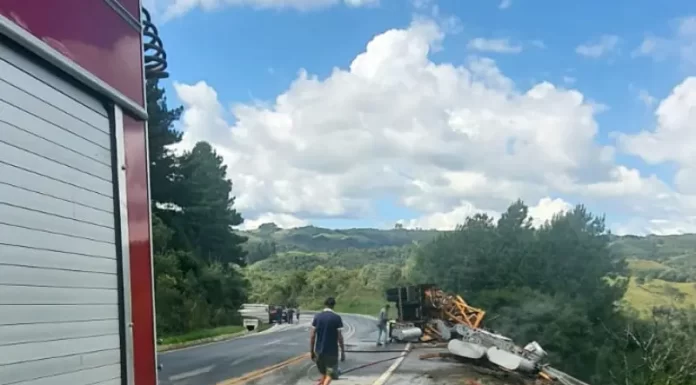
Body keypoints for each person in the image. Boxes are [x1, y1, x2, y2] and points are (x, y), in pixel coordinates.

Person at [310, 297, 345, 385]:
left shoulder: (317, 317)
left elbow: (312, 336)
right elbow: (340, 338)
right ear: (333, 306)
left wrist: (312, 351)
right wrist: (343, 352)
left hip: (319, 352)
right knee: (330, 375)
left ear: (325, 304)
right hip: (331, 353)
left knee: (323, 374)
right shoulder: (337, 318)